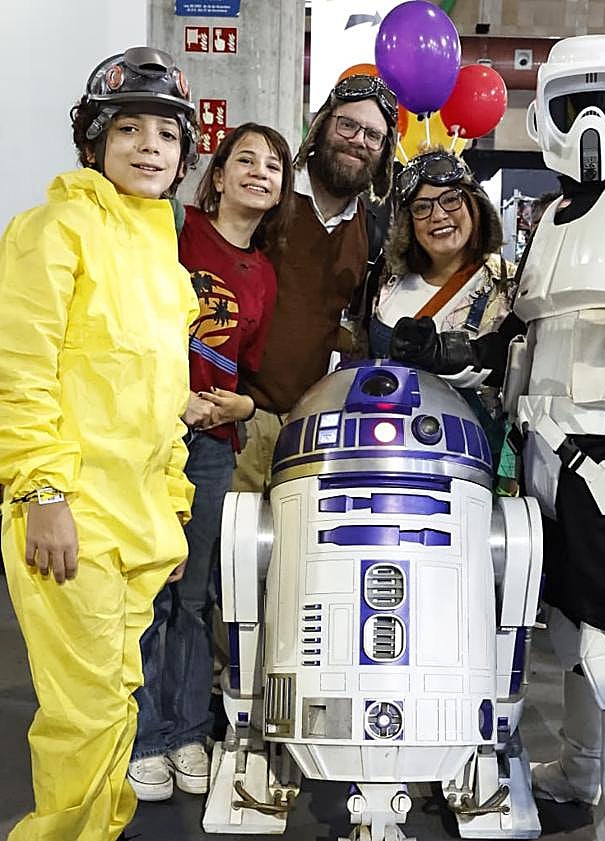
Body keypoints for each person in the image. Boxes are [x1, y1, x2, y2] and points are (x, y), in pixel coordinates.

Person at [393, 34, 605, 841]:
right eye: (577, 105)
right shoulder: (550, 222)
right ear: (548, 116)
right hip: (541, 465)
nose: (594, 120)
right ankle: (578, 769)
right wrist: (454, 356)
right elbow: (523, 340)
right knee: (569, 636)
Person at [0, 47, 199, 841]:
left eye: (167, 134)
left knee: (114, 703)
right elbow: (21, 371)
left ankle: (99, 830)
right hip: (70, 515)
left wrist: (173, 509)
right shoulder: (52, 230)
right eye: (129, 129)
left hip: (137, 523)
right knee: (83, 715)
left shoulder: (162, 253)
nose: (150, 146)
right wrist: (40, 493)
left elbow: (165, 402)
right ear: (95, 143)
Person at [128, 123, 294, 800]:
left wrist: (240, 410)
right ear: (217, 174)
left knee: (195, 596)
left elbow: (247, 380)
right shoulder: (172, 227)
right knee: (147, 592)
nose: (259, 172)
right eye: (245, 159)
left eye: (274, 166)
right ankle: (144, 735)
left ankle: (189, 728)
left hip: (212, 449)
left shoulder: (264, 275)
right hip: (148, 432)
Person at [235, 73, 398, 494]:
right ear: (323, 124)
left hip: (312, 431)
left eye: (373, 136)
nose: (358, 140)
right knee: (223, 551)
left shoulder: (372, 230)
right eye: (348, 125)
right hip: (238, 421)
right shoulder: (270, 194)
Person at [371, 149, 516, 462]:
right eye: (422, 207)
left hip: (470, 460)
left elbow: (521, 374)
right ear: (408, 222)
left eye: (451, 199)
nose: (438, 216)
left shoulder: (508, 285)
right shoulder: (386, 282)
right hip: (385, 454)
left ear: (474, 203)